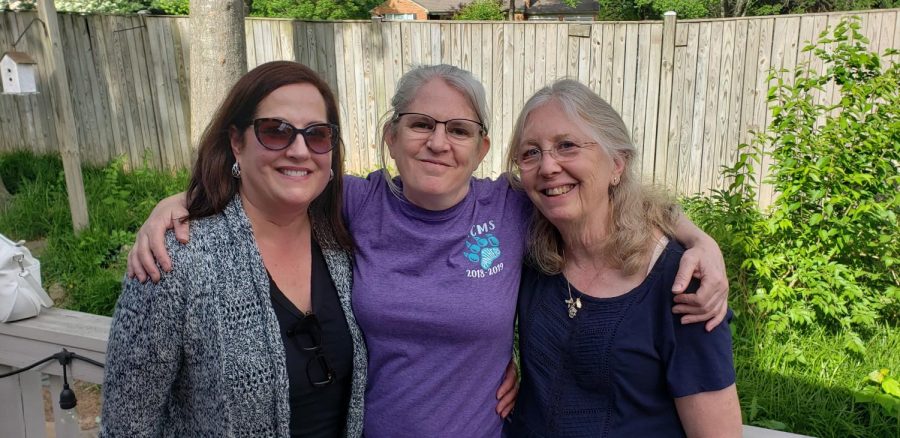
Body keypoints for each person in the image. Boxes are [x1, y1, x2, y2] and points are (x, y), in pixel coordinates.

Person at [126, 65, 730, 437]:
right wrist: (185, 203)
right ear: (391, 137)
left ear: (482, 147)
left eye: (459, 129)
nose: (438, 142)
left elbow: (603, 193)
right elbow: (280, 174)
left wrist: (698, 238)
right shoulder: (354, 204)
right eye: (420, 124)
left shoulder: (512, 207)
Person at [100, 61, 368, 437]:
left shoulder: (343, 241)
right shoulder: (176, 258)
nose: (299, 150)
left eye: (317, 135)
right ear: (236, 142)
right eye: (276, 131)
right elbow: (127, 425)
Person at [504, 79, 741, 437]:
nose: (548, 166)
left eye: (567, 146)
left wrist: (703, 242)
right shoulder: (529, 245)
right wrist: (486, 364)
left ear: (617, 164)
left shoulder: (682, 283)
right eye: (530, 152)